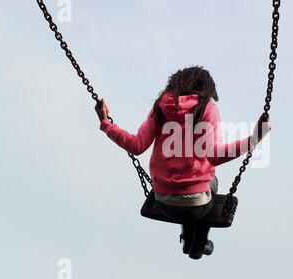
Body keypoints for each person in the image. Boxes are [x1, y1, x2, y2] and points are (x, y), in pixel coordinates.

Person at [95, 66, 271, 259]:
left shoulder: (161, 106)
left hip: (163, 201)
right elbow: (214, 156)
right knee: (209, 183)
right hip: (197, 204)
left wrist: (106, 123)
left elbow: (136, 145)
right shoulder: (207, 108)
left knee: (193, 190)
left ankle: (188, 239)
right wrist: (253, 139)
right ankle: (199, 243)